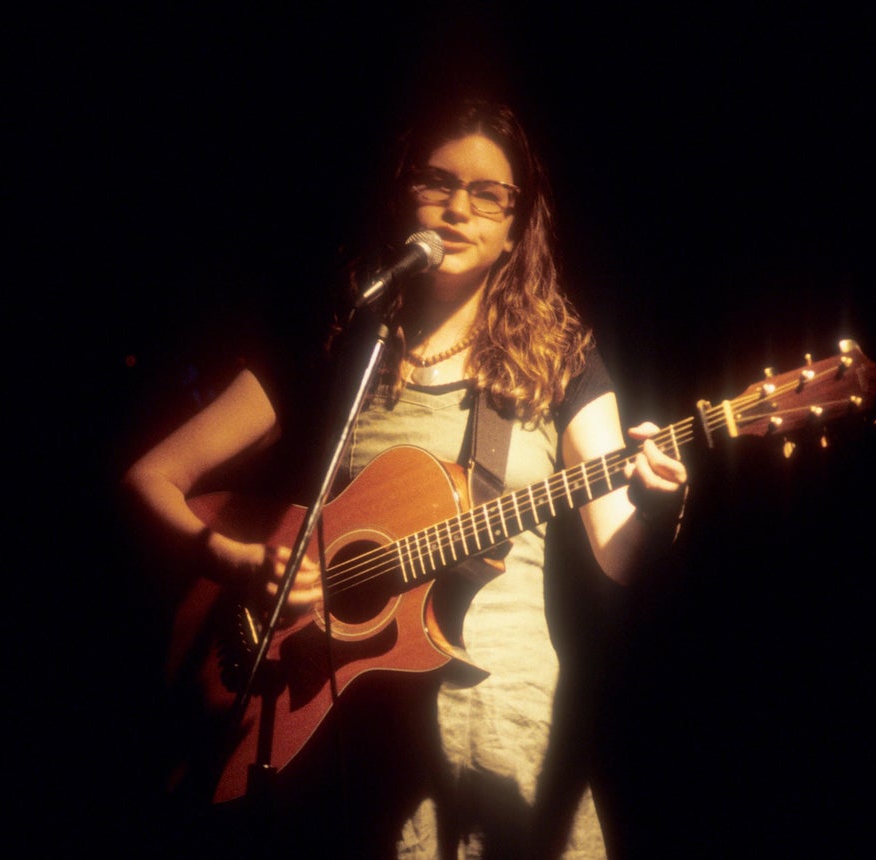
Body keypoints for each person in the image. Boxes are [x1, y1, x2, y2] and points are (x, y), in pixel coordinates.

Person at [122, 98, 687, 859]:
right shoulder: (337, 351)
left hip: (504, 736)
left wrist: (659, 504)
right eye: (436, 182)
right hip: (342, 751)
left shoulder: (562, 362)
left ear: (518, 226)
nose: (459, 208)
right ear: (402, 196)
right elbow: (151, 476)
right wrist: (233, 559)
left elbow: (620, 553)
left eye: (490, 194)